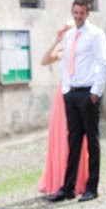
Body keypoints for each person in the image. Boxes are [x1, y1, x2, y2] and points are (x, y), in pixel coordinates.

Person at [46, 0, 106, 203]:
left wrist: (95, 92)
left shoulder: (96, 35)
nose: (78, 16)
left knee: (92, 142)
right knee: (73, 142)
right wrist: (66, 90)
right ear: (72, 12)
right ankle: (68, 188)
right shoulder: (70, 35)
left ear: (87, 13)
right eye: (75, 12)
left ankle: (92, 188)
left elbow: (103, 63)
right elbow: (66, 62)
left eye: (81, 13)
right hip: (71, 93)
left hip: (87, 94)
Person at [37, 22, 89, 196]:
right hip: (62, 96)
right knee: (61, 137)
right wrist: (56, 40)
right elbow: (44, 60)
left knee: (76, 137)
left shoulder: (82, 50)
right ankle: (60, 181)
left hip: (78, 91)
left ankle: (78, 180)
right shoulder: (62, 51)